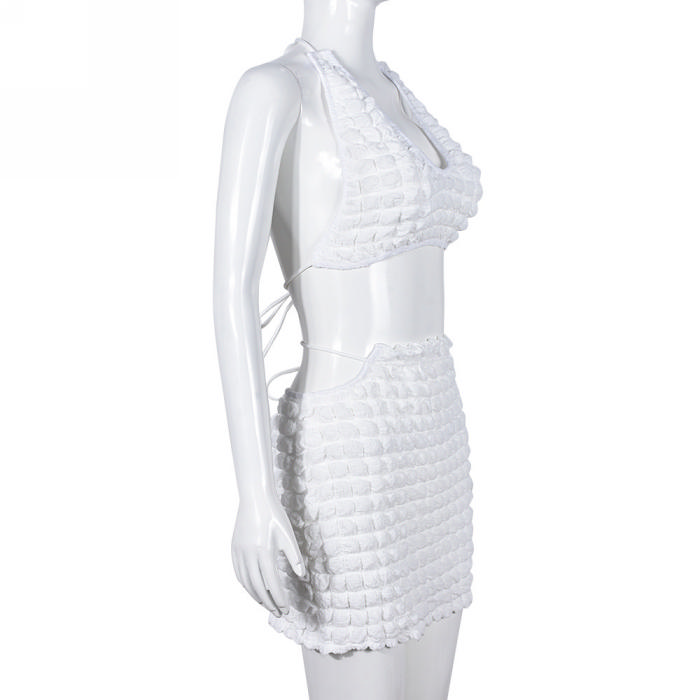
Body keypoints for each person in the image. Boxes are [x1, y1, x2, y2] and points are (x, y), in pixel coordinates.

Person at [213, 2, 482, 698]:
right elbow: (231, 291)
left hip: (435, 433)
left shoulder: (393, 90)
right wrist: (255, 494)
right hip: (351, 437)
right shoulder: (275, 90)